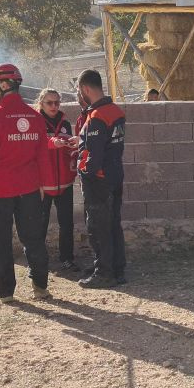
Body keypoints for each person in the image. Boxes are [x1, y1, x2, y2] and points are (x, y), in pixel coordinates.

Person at [0, 63, 52, 303]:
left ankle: (5, 293)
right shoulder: (35, 117)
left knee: (2, 241)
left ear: (4, 85)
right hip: (29, 190)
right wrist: (45, 185)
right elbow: (43, 156)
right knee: (34, 238)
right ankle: (40, 287)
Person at [75, 70, 126, 288]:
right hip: (115, 174)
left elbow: (93, 157)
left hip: (99, 179)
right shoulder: (115, 110)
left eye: (79, 91)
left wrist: (82, 169)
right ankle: (116, 268)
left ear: (85, 89)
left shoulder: (96, 117)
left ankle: (104, 273)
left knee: (98, 226)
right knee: (113, 223)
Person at [36, 88, 79, 271]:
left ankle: (67, 258)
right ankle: (38, 260)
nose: (54, 106)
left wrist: (73, 144)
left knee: (67, 223)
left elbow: (69, 151)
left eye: (57, 102)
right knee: (40, 224)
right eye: (49, 103)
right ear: (41, 104)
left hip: (64, 182)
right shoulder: (35, 122)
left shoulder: (65, 123)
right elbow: (33, 147)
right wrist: (52, 143)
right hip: (43, 184)